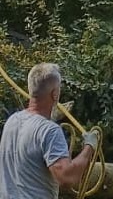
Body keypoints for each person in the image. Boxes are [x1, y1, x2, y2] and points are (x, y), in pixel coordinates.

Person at [0, 63, 98, 199]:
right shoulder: (50, 131)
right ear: (55, 93)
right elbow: (66, 178)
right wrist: (89, 147)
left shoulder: (12, 121)